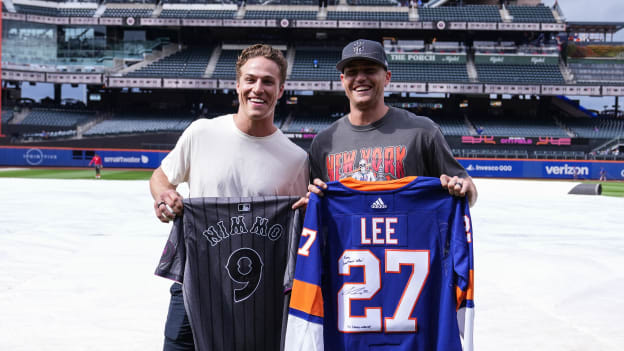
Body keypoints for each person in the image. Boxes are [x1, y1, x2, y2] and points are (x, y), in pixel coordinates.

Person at [149, 44, 309, 351]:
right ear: (237, 84)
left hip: (259, 297)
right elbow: (161, 176)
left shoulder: (296, 159)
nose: (257, 89)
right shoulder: (201, 133)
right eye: (250, 80)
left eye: (267, 81)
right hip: (195, 284)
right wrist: (164, 195)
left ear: (281, 89)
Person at [300, 39, 477, 207]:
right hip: (346, 239)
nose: (360, 78)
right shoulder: (323, 143)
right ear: (342, 81)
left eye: (369, 70)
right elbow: (317, 203)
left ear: (387, 77)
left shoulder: (423, 132)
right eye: (352, 72)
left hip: (408, 237)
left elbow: (468, 189)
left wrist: (463, 189)